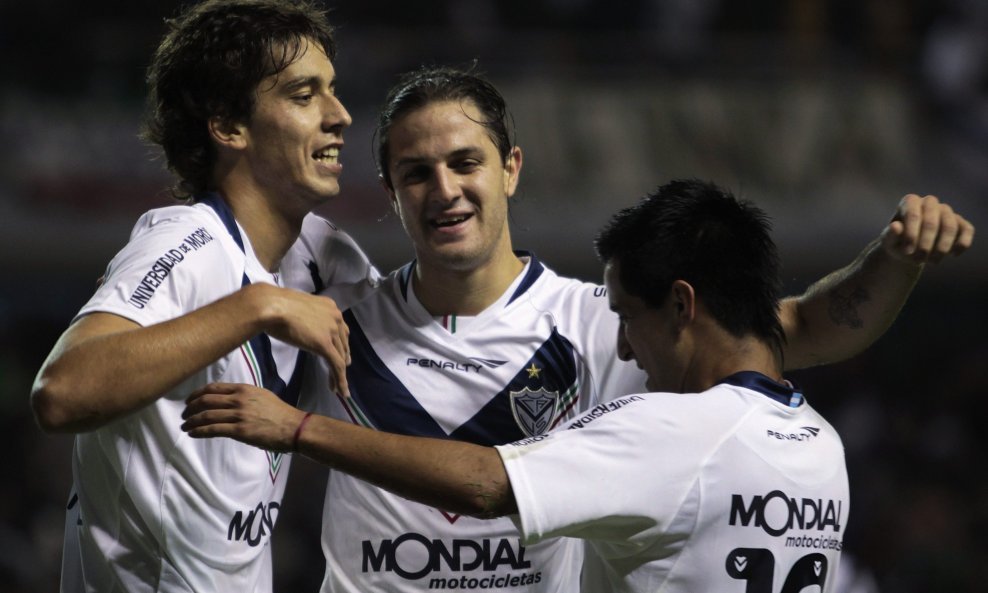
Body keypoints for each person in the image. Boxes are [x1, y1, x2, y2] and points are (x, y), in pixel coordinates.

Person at [209, 66, 971, 593]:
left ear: (510, 167)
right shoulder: (337, 314)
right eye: (416, 172)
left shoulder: (604, 321)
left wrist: (895, 257)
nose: (444, 189)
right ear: (391, 192)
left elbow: (800, 325)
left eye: (464, 162)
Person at [184, 179, 876, 591]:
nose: (625, 346)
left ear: (683, 305)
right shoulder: (821, 447)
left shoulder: (668, 429)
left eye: (629, 319)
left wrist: (298, 428)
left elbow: (487, 482)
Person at [28, 1, 378, 591]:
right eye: (303, 95)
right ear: (229, 127)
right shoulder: (185, 241)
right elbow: (60, 392)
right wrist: (257, 306)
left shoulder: (325, 254)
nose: (339, 115)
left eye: (333, 91)